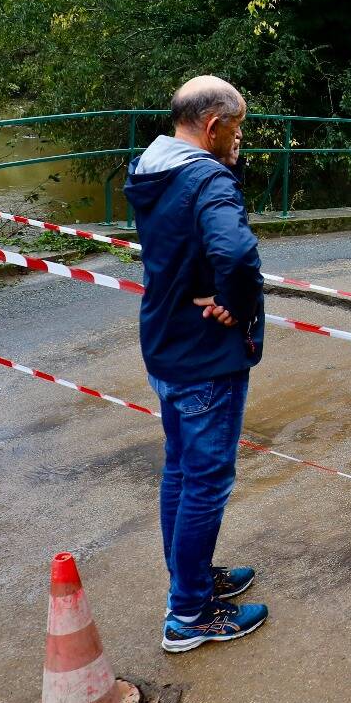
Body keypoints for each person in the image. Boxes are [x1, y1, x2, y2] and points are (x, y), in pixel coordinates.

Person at [124, 77, 269, 654]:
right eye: (237, 128)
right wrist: (238, 303)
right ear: (213, 126)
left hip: (165, 342)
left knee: (181, 472)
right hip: (205, 353)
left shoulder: (151, 167)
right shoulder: (207, 178)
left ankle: (191, 578)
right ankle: (188, 614)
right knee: (206, 481)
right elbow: (236, 252)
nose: (240, 139)